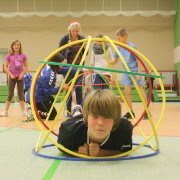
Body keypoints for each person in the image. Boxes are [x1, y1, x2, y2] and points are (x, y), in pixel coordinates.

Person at [57, 89, 133, 157]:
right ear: (86, 117)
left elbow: (126, 151)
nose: (100, 123)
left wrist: (101, 153)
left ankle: (79, 111)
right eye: (95, 116)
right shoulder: (69, 131)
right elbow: (61, 147)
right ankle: (77, 110)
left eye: (107, 117)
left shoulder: (125, 129)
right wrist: (77, 152)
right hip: (79, 120)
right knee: (77, 116)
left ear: (115, 119)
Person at [26, 53, 77, 120]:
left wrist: (82, 70)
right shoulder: (49, 74)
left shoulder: (49, 66)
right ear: (56, 63)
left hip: (33, 95)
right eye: (61, 64)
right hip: (36, 98)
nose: (63, 66)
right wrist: (62, 88)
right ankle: (35, 112)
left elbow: (66, 70)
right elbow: (48, 91)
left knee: (51, 99)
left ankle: (36, 109)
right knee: (53, 115)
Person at [111, 28, 148, 120]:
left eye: (119, 38)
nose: (117, 40)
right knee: (127, 91)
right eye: (117, 38)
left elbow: (139, 60)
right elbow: (115, 61)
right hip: (126, 73)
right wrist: (107, 63)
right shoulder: (119, 48)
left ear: (125, 37)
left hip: (135, 71)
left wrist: (139, 73)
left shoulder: (132, 46)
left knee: (140, 91)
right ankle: (130, 112)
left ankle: (146, 111)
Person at [58, 20, 86, 117]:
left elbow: (85, 53)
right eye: (73, 31)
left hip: (79, 66)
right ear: (70, 30)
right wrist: (62, 61)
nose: (75, 33)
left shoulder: (82, 38)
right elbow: (59, 51)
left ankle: (80, 110)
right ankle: (69, 111)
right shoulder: (65, 39)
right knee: (69, 88)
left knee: (79, 89)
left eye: (77, 31)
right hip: (68, 67)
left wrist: (86, 48)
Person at [0, 40, 28, 117]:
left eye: (18, 45)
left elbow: (26, 67)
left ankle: (24, 111)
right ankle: (5, 111)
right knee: (10, 94)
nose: (16, 46)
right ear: (12, 46)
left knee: (21, 94)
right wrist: (10, 74)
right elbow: (5, 67)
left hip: (20, 77)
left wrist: (22, 74)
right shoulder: (9, 55)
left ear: (20, 46)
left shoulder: (23, 55)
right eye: (15, 45)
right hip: (12, 77)